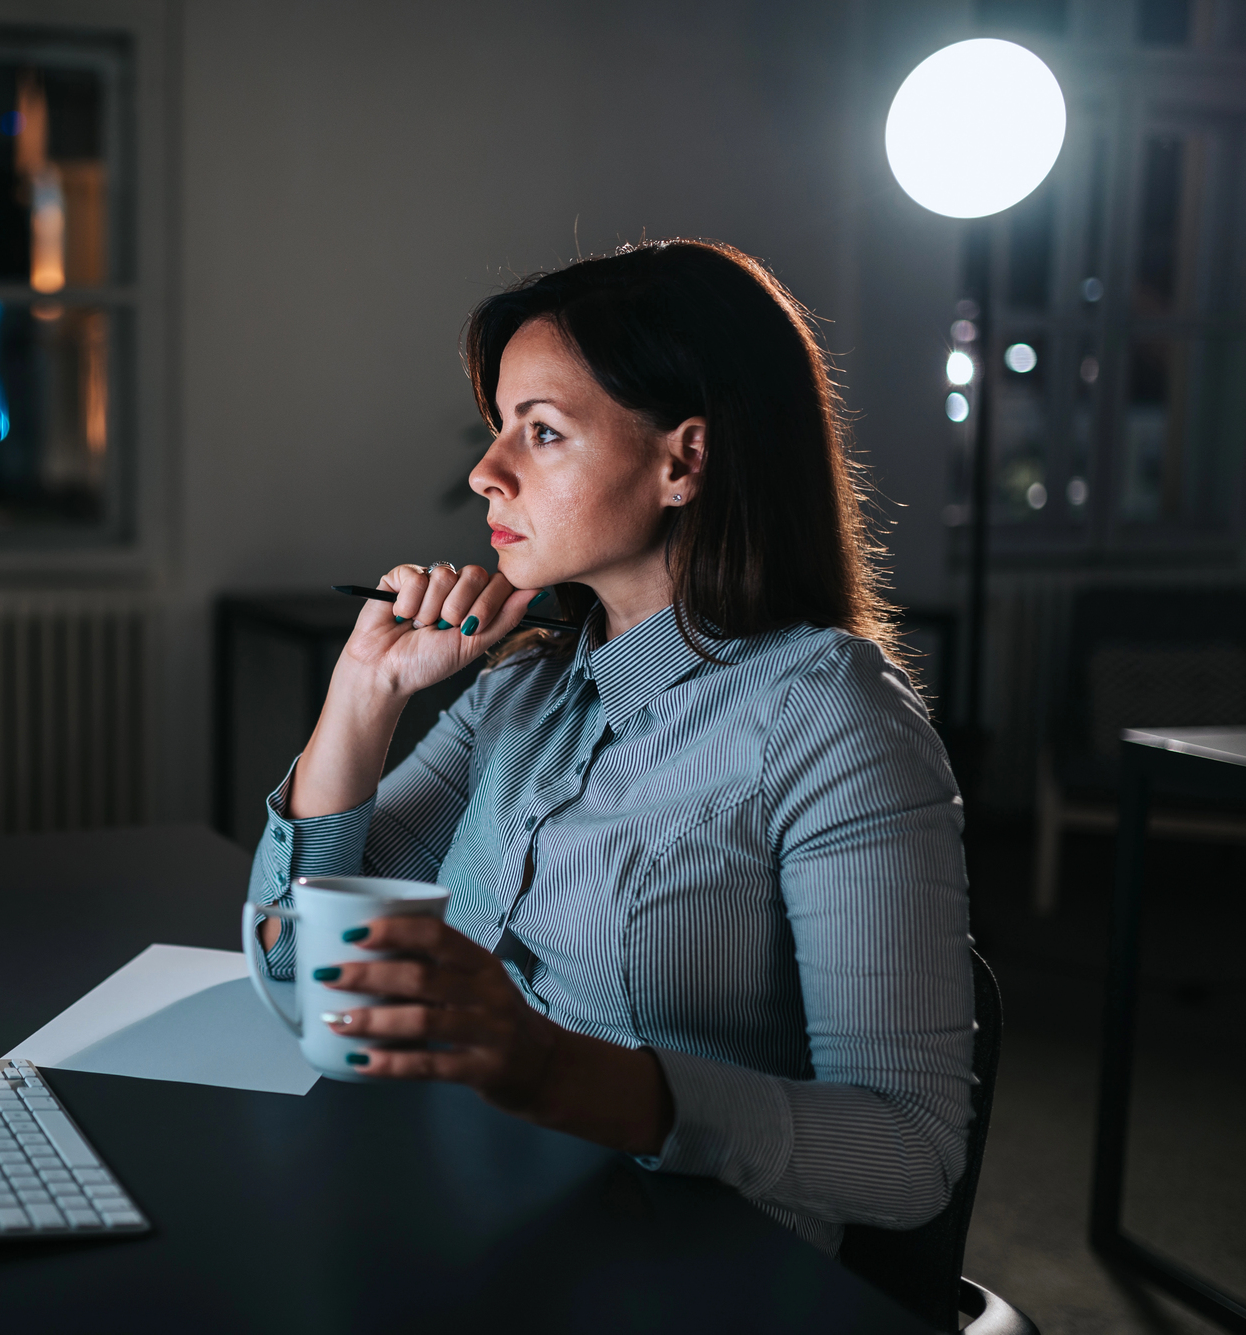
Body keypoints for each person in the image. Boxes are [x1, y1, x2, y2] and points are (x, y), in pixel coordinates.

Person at [248, 239, 974, 1254]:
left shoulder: (830, 721)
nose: (484, 471)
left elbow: (909, 1154)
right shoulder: (520, 686)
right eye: (498, 428)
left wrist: (552, 1072)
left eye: (539, 433)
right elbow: (294, 972)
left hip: (671, 1265)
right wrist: (363, 694)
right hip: (463, 1206)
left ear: (681, 460)